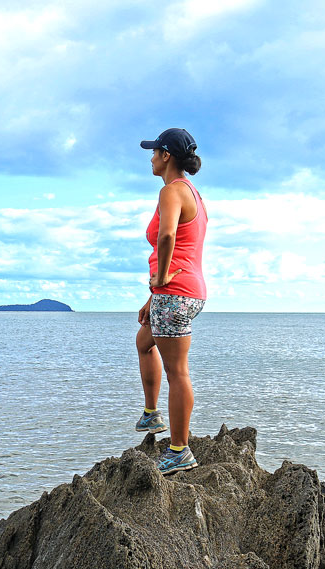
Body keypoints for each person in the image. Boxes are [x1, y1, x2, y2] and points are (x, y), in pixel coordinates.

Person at [133, 128, 207, 475]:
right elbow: (182, 248)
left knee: (178, 373)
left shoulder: (172, 190)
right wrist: (152, 296)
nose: (149, 158)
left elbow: (167, 236)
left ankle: (180, 450)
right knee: (144, 341)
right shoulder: (192, 192)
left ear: (166, 156)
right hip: (179, 292)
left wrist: (161, 279)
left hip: (175, 291)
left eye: (153, 152)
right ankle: (151, 415)